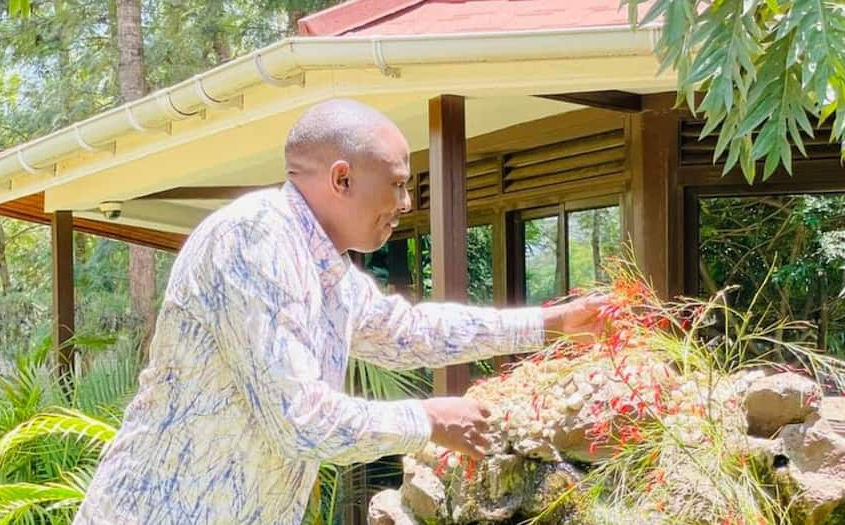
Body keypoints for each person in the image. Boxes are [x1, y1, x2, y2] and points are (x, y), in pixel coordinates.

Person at [73, 99, 607, 525]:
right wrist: (427, 419)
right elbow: (301, 421)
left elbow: (409, 334)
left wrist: (553, 323)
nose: (405, 204)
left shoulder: (323, 267)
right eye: (398, 184)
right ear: (342, 179)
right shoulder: (255, 238)